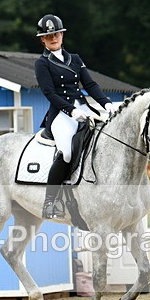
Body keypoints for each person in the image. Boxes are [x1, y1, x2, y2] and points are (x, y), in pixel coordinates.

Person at [34, 13, 115, 219]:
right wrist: (71, 110)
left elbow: (89, 85)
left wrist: (106, 104)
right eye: (49, 35)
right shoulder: (42, 63)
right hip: (61, 114)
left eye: (57, 34)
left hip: (84, 108)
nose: (53, 38)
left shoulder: (75, 59)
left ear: (62, 35)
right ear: (43, 39)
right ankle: (51, 201)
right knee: (67, 152)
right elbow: (49, 93)